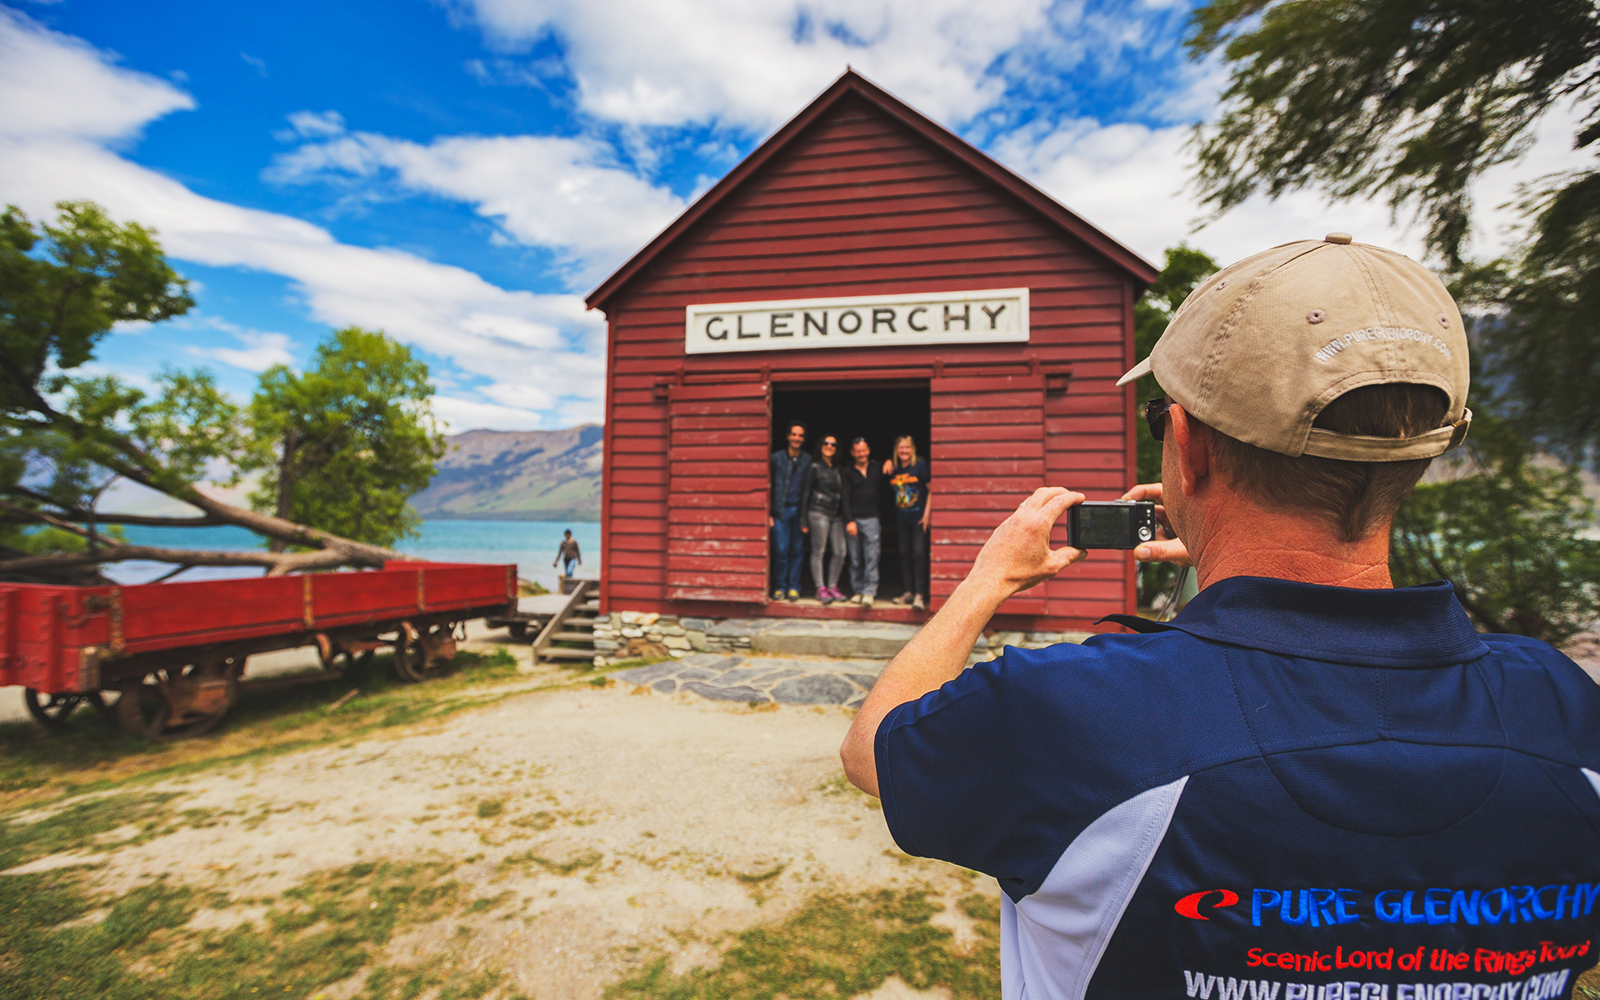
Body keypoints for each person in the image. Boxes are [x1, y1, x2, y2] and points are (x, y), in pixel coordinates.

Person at [840, 235, 1600, 1000]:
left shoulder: (1071, 711)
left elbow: (874, 750)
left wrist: (986, 578)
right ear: (1424, 453)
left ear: (1186, 444)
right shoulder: (1565, 714)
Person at [883, 435, 930, 611]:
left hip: (918, 518)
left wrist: (927, 515)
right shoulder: (894, 468)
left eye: (907, 448)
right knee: (904, 554)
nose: (904, 451)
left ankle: (920, 594)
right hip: (902, 518)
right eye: (901, 448)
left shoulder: (920, 465)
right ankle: (908, 591)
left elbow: (930, 489)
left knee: (918, 554)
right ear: (897, 450)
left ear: (912, 449)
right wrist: (886, 461)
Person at [800, 435, 848, 604]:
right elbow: (805, 493)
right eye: (826, 443)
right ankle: (820, 588)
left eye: (833, 444)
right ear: (820, 446)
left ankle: (832, 586)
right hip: (818, 512)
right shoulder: (814, 467)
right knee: (818, 551)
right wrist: (803, 519)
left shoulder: (838, 468)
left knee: (840, 552)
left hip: (836, 515)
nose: (829, 446)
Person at [769, 421, 812, 602]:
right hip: (780, 511)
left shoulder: (808, 460)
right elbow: (767, 485)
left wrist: (806, 518)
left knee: (797, 550)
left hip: (799, 512)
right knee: (780, 549)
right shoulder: (776, 458)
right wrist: (769, 513)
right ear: (788, 437)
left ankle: (793, 587)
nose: (797, 438)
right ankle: (780, 587)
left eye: (800, 435)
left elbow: (810, 489)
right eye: (794, 434)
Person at [842, 436, 883, 608]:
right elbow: (844, 498)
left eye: (864, 450)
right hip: (855, 520)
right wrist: (849, 520)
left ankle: (869, 592)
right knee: (856, 558)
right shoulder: (847, 471)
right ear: (853, 453)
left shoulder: (877, 467)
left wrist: (889, 461)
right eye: (858, 451)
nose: (861, 453)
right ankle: (858, 590)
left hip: (872, 519)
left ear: (868, 450)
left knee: (872, 557)